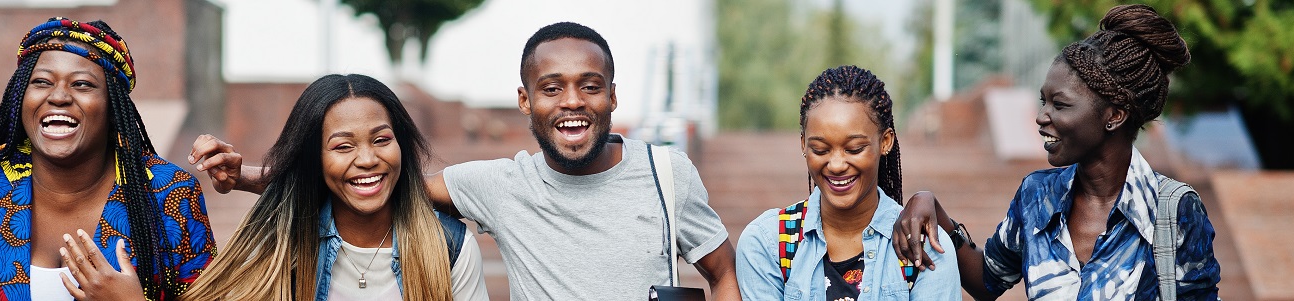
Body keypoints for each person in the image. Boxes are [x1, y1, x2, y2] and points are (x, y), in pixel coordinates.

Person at [193, 22, 740, 300]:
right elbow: (375, 179)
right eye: (552, 88)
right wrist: (244, 177)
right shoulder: (502, 184)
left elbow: (723, 274)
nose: (572, 102)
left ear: (613, 96)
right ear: (526, 101)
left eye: (589, 86)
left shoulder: (668, 174)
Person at [891, 4, 1220, 300]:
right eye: (1043, 101)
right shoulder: (1036, 195)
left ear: (1114, 116)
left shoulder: (1173, 208)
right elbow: (987, 279)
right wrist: (929, 203)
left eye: (1060, 104)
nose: (1041, 116)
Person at [65, 74, 489, 300]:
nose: (367, 159)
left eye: (382, 139)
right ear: (314, 159)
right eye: (342, 146)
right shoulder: (285, 240)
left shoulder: (448, 247)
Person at [0, 17, 217, 301]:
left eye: (82, 84)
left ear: (113, 106)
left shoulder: (169, 194)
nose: (59, 96)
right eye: (41, 82)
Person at [735, 66, 960, 300]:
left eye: (854, 149)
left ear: (885, 142)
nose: (836, 164)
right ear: (803, 144)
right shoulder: (769, 242)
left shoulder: (923, 246)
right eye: (820, 149)